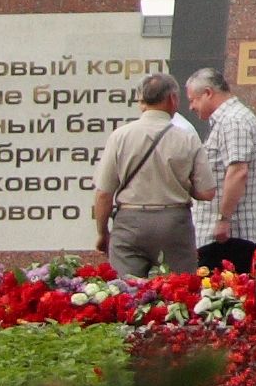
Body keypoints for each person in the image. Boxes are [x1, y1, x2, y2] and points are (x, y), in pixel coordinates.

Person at [91, 72, 214, 277]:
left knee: (125, 293)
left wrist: (102, 233)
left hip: (129, 223)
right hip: (174, 224)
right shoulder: (187, 138)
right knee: (179, 292)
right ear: (172, 99)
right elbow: (207, 192)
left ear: (142, 102)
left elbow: (103, 192)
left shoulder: (120, 136)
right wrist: (182, 183)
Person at [184, 67, 256, 277]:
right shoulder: (228, 120)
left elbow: (238, 171)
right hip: (225, 234)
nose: (191, 107)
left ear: (208, 93)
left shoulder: (233, 121)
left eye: (193, 100)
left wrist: (223, 219)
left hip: (230, 236)